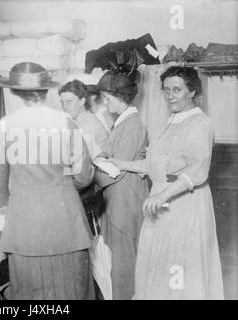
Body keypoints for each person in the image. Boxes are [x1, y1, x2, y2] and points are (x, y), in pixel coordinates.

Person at [108, 66, 224, 299]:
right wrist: (121, 163)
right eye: (166, 90)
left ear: (192, 91)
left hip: (185, 203)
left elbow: (198, 170)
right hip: (163, 202)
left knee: (178, 266)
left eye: (177, 90)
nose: (170, 95)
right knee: (160, 264)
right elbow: (157, 164)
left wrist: (162, 196)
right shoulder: (171, 121)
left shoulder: (200, 123)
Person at [0, 62, 95, 300]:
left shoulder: (5, 126)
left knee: (29, 292)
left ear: (15, 92)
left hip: (25, 226)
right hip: (66, 223)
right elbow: (84, 175)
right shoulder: (66, 122)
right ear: (46, 91)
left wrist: (6, 203)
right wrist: (61, 188)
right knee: (72, 289)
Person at [94, 70, 149, 300]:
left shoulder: (131, 126)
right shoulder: (123, 123)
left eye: (107, 98)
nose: (105, 104)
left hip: (124, 205)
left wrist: (89, 172)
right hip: (119, 201)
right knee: (120, 264)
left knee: (123, 268)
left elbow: (113, 172)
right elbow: (109, 156)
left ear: (120, 97)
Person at [59, 79, 108, 161]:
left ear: (82, 101)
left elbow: (80, 159)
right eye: (62, 102)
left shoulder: (89, 123)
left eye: (69, 102)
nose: (64, 107)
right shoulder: (76, 121)